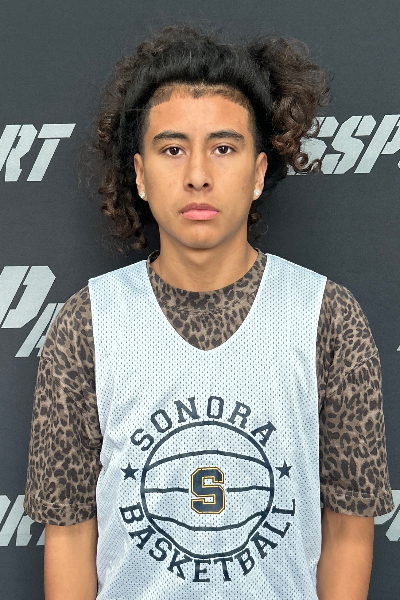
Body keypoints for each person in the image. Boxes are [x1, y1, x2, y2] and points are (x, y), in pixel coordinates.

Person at [24, 23, 394, 600]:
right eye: (172, 149)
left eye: (224, 148)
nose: (198, 175)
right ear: (140, 174)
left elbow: (350, 529)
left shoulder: (328, 317)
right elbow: (69, 535)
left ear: (259, 172)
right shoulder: (86, 323)